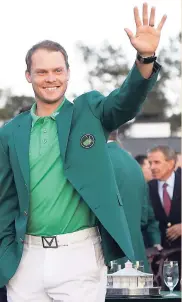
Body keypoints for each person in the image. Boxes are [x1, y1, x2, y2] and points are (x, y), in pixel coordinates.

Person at [0, 4, 166, 302]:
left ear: (67, 73)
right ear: (28, 75)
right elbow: (4, 200)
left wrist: (145, 59)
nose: (50, 78)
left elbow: (125, 101)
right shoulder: (11, 132)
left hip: (80, 258)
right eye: (42, 72)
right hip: (25, 261)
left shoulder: (89, 111)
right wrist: (4, 253)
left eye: (57, 70)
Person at [107, 136, 161, 270]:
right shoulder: (134, 164)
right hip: (137, 258)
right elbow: (144, 217)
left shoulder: (97, 161)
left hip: (108, 261)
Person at [147, 145, 181, 289]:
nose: (152, 167)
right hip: (161, 260)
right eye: (150, 163)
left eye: (157, 162)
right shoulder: (148, 187)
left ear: (171, 163)